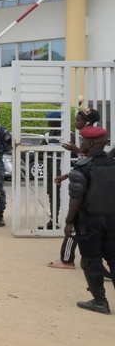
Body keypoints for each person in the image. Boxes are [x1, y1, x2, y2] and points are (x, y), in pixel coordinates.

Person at [63, 126, 115, 314]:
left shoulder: (83, 168)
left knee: (91, 260)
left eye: (83, 141)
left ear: (90, 143)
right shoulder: (112, 164)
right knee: (113, 258)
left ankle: (100, 301)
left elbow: (76, 199)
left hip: (90, 221)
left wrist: (69, 221)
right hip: (112, 219)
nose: (81, 143)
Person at [48, 108, 100, 269]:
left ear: (88, 122)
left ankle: (67, 260)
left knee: (75, 222)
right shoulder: (90, 134)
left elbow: (91, 160)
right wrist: (65, 176)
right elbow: (84, 165)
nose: (76, 122)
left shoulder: (90, 137)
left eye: (78, 120)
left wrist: (76, 150)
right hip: (89, 185)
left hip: (88, 188)